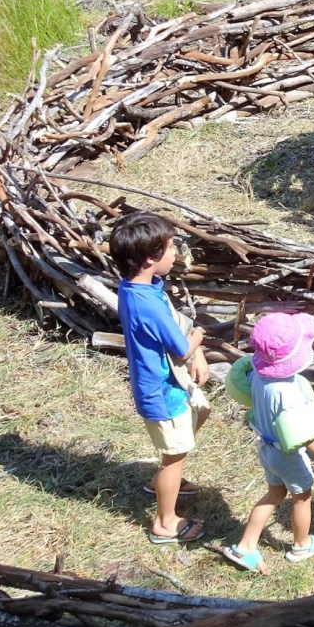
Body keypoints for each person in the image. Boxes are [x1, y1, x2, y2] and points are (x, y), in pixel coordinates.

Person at [110, 212, 209, 545]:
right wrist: (199, 337)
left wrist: (196, 352)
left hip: (168, 384)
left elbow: (174, 325)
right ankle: (165, 523)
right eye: (170, 247)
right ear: (150, 258)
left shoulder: (139, 288)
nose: (176, 252)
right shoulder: (147, 304)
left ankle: (164, 479)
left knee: (200, 414)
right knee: (175, 455)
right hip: (162, 391)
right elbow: (181, 349)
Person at [221, 312, 314, 573]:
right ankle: (301, 545)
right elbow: (304, 435)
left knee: (274, 494)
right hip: (287, 456)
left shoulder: (258, 375)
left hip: (266, 448)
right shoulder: (287, 392)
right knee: (302, 497)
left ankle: (245, 546)